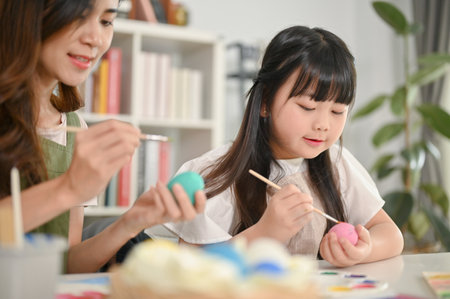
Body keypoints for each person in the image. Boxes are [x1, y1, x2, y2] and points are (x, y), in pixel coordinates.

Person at [164, 25, 404, 267]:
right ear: (265, 103)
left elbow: (391, 235)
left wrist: (364, 250)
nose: (323, 124)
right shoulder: (219, 171)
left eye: (337, 111)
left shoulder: (337, 163)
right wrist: (265, 232)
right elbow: (189, 264)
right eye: (307, 107)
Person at [0, 0, 205, 273]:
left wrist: (132, 222)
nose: (96, 39)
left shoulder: (74, 128)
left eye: (106, 21)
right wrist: (68, 189)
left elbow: (67, 266)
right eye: (78, 16)